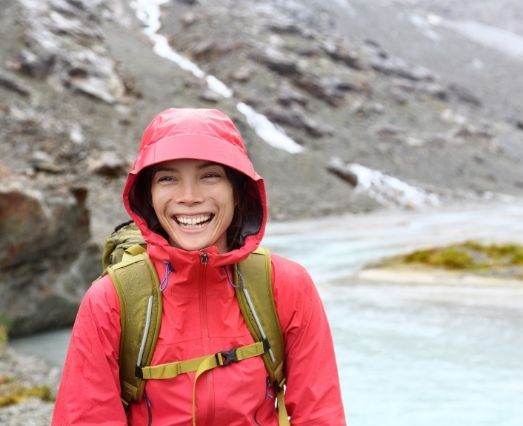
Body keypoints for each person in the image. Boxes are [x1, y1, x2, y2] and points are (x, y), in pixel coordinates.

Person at [52, 108, 346, 425]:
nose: (189, 197)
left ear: (238, 191)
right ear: (147, 196)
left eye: (210, 176)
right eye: (168, 179)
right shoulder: (110, 300)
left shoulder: (286, 285)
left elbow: (320, 415)